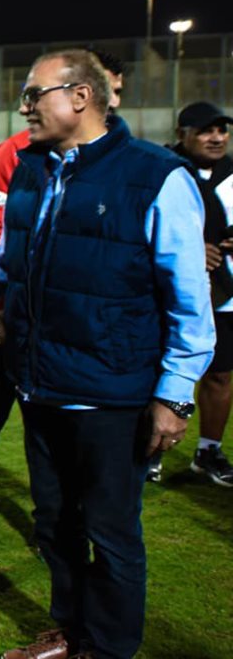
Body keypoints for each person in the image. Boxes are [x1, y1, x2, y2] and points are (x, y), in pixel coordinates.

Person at [0, 50, 213, 659]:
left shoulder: (155, 174)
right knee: (53, 521)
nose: (24, 107)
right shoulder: (31, 169)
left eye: (34, 94)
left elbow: (188, 295)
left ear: (81, 96)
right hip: (40, 383)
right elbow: (12, 263)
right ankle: (71, 632)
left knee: (111, 530)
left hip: (113, 392)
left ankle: (110, 647)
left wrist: (175, 392)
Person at [0, 49, 130, 573]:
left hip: (69, 343)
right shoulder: (15, 154)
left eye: (116, 90)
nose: (112, 99)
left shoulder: (130, 166)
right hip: (8, 327)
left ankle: (54, 534)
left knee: (58, 445)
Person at [171, 101, 233, 486]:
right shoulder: (165, 169)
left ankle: (208, 450)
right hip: (172, 292)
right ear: (183, 134)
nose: (217, 137)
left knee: (221, 374)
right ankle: (150, 448)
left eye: (222, 130)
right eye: (206, 130)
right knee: (162, 368)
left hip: (226, 293)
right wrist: (192, 248)